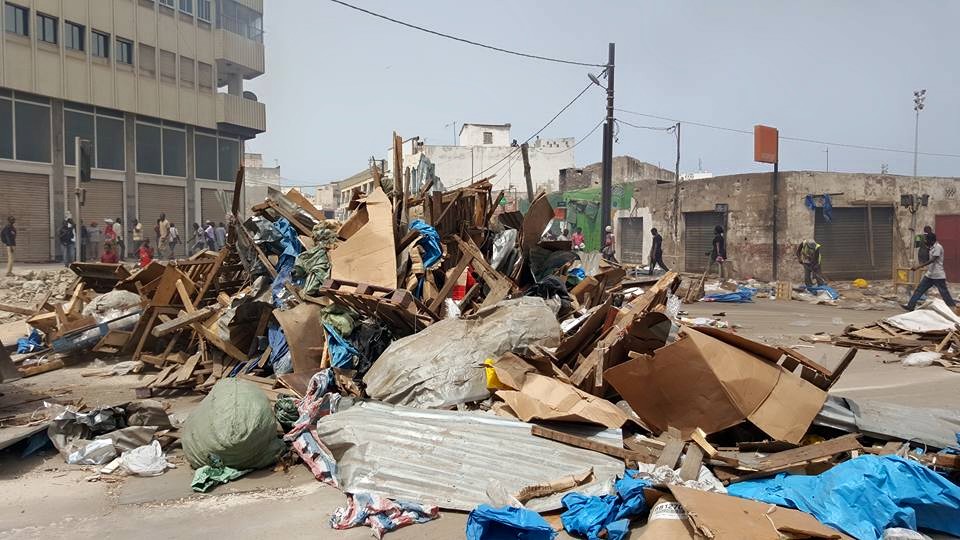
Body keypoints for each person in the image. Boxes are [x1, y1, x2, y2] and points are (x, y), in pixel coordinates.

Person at [905, 233, 956, 311]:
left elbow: (933, 260)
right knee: (919, 289)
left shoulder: (938, 247)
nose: (925, 241)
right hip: (930, 274)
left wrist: (918, 267)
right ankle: (910, 306)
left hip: (938, 275)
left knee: (944, 293)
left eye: (926, 239)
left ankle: (952, 308)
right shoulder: (931, 247)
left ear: (931, 240)